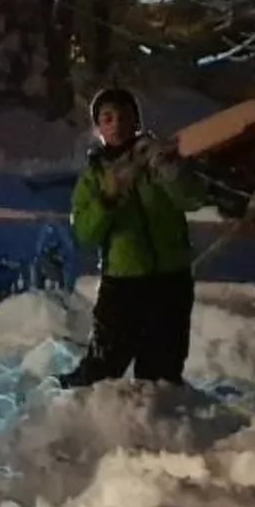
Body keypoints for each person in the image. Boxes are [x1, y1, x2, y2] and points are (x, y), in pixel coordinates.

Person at [59, 87, 210, 387]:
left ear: (136, 121)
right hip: (124, 282)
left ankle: (156, 426)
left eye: (124, 116)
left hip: (171, 279)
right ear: (98, 127)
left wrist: (172, 171)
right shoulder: (94, 175)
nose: (116, 124)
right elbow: (85, 232)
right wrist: (108, 199)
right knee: (105, 364)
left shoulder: (160, 159)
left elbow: (193, 199)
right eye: (107, 118)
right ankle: (72, 412)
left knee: (162, 370)